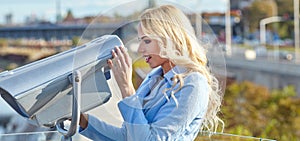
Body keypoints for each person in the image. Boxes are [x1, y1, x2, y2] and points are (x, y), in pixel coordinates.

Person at [79, 5, 224, 141]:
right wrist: (81, 120)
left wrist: (127, 88)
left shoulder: (193, 84)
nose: (140, 49)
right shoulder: (154, 78)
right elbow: (128, 135)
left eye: (147, 41)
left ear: (170, 39)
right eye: (140, 41)